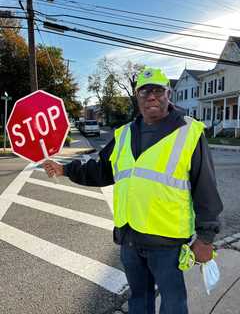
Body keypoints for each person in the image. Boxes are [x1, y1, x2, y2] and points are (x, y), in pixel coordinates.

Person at [43, 67, 223, 314]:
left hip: (167, 244)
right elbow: (101, 170)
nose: (152, 96)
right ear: (137, 97)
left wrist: (205, 238)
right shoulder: (125, 134)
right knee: (139, 301)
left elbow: (206, 188)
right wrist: (65, 170)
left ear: (168, 94)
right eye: (145, 91)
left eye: (158, 90)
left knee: (173, 305)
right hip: (130, 239)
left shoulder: (189, 133)